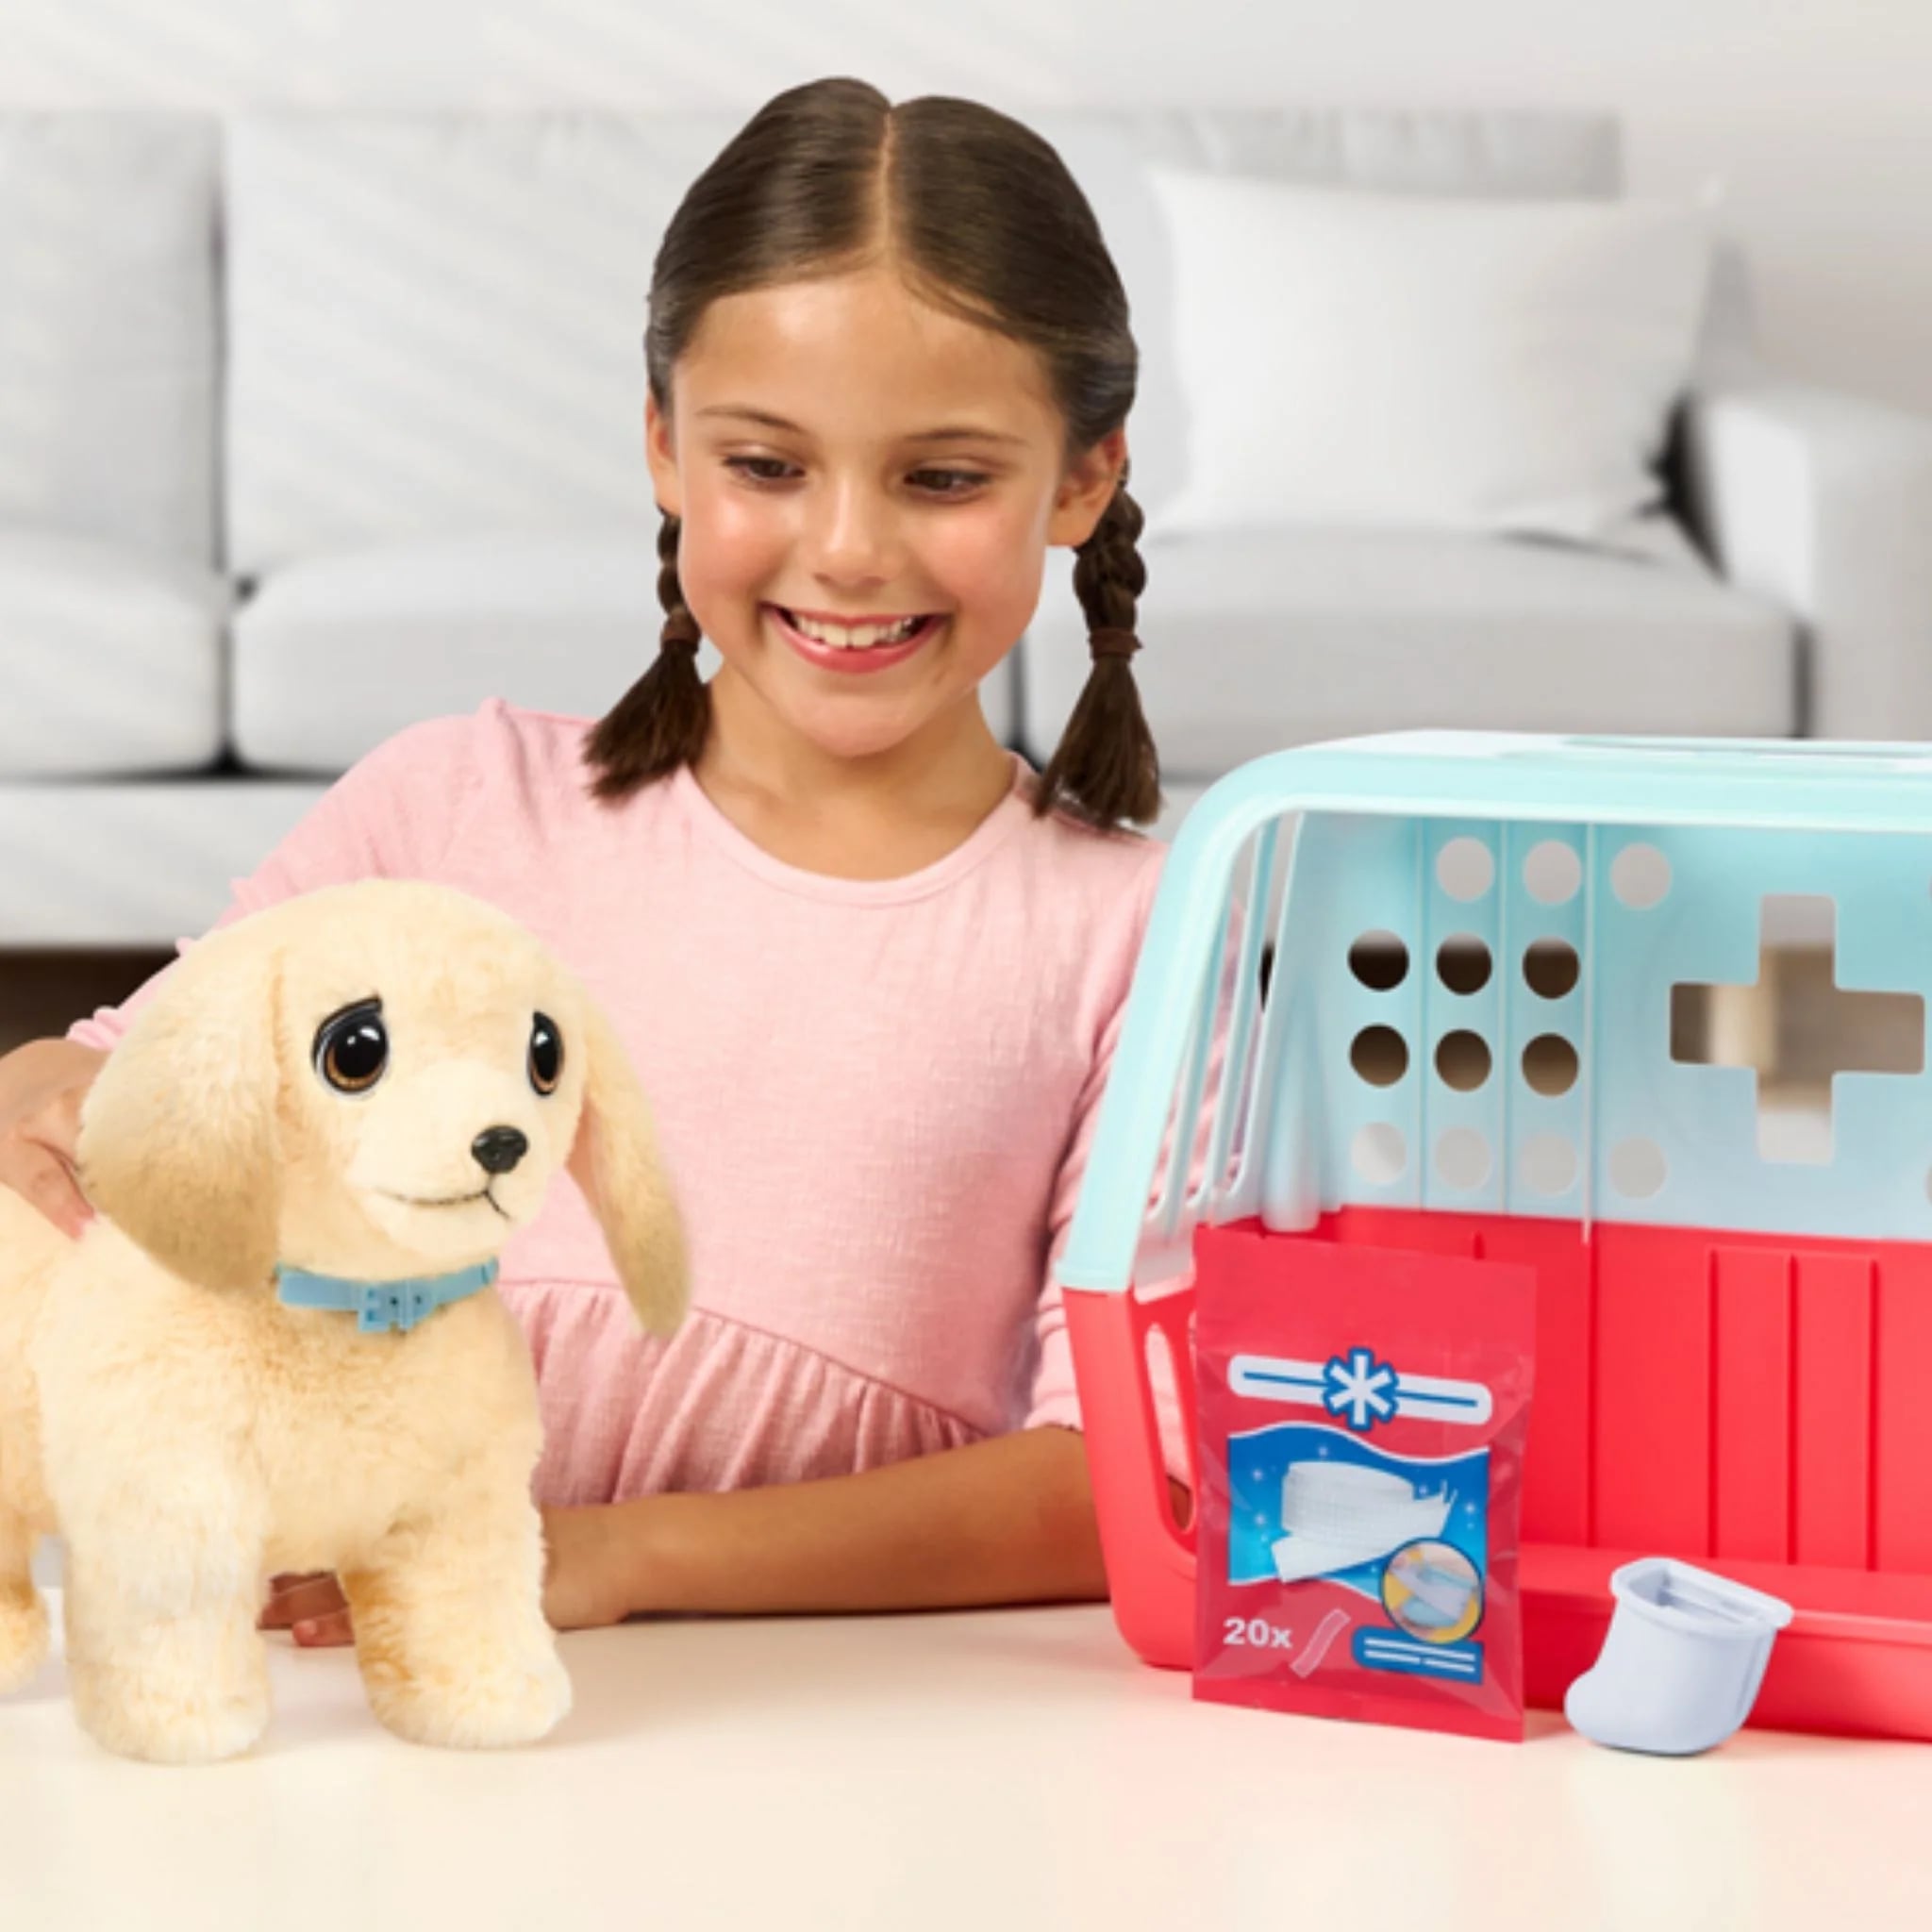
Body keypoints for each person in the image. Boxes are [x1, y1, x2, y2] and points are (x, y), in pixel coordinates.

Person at [0, 76, 1195, 1647]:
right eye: (767, 465)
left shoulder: (1139, 937)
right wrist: (42, 1085)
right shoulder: (452, 806)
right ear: (663, 446)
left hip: (854, 1710)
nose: (848, 549)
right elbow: (103, 1100)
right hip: (349, 1698)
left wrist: (616, 1558)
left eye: (943, 477)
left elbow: (1121, 1480)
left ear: (1084, 480)